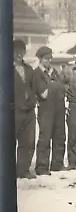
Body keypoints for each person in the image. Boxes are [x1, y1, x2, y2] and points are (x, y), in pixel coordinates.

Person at [33, 46, 67, 175]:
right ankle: (42, 167)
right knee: (45, 137)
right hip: (46, 109)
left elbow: (63, 88)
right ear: (40, 59)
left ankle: (57, 164)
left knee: (60, 136)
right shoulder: (37, 73)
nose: (49, 61)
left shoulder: (54, 72)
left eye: (50, 58)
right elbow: (44, 94)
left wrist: (53, 84)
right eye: (46, 59)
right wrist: (55, 85)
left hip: (59, 107)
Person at [13, 40, 37, 179]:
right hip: (13, 111)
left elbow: (34, 88)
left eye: (21, 51)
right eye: (16, 51)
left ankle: (23, 170)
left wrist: (32, 100)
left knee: (28, 141)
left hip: (29, 112)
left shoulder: (29, 69)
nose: (19, 54)